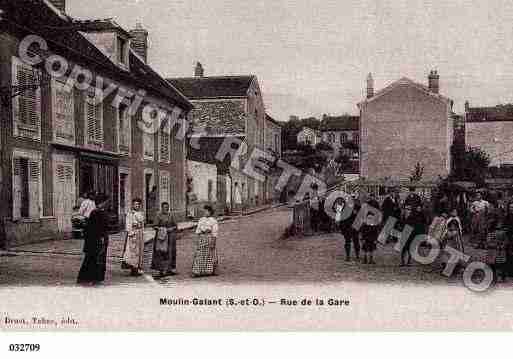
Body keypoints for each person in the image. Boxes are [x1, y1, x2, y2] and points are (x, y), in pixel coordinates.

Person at [77, 194, 110, 286]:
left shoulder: (98, 212)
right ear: (102, 203)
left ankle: (88, 278)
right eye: (106, 202)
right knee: (95, 259)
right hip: (97, 240)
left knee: (92, 259)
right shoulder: (96, 213)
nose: (108, 204)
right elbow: (96, 229)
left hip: (97, 240)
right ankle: (93, 278)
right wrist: (102, 239)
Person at [151, 202, 178, 278]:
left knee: (171, 252)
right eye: (164, 207)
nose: (166, 209)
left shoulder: (171, 215)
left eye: (167, 207)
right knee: (161, 252)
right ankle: (161, 270)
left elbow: (175, 226)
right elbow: (154, 226)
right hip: (161, 238)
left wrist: (171, 229)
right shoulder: (158, 215)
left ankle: (169, 269)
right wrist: (162, 229)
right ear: (161, 208)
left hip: (170, 237)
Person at [192, 205, 219, 277]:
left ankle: (208, 271)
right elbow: (198, 230)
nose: (205, 212)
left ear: (210, 212)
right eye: (204, 211)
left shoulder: (213, 221)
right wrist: (197, 239)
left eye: (207, 211)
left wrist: (213, 242)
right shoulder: (201, 220)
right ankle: (197, 271)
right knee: (199, 255)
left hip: (209, 238)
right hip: (202, 238)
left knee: (209, 255)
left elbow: (214, 233)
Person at [122, 198, 145, 276]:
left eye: (138, 204)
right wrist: (131, 232)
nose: (137, 206)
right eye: (135, 204)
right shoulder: (130, 214)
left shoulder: (141, 213)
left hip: (139, 234)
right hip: (133, 234)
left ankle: (138, 267)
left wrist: (139, 227)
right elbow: (128, 225)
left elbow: (142, 224)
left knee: (139, 251)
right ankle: (133, 268)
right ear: (133, 205)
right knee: (132, 252)